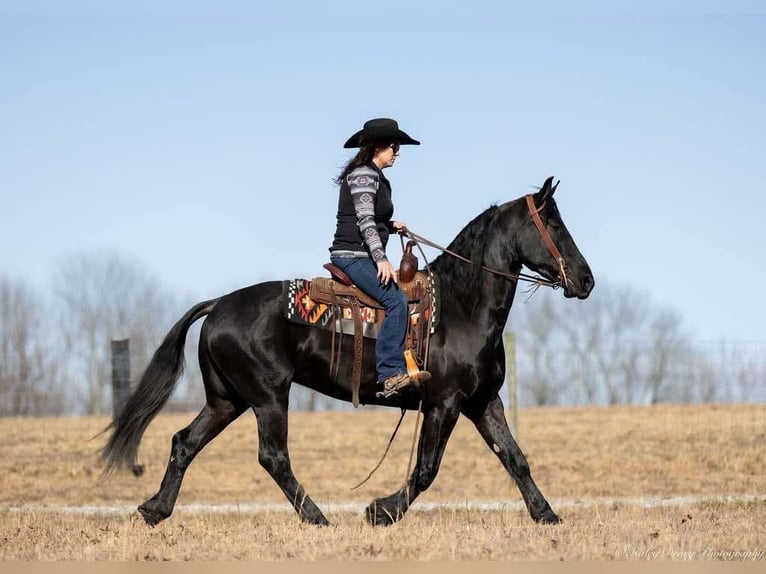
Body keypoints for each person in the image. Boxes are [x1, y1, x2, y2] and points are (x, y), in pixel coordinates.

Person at [329, 118, 429, 397]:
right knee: (396, 301)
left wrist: (390, 223)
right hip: (352, 255)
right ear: (378, 147)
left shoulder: (372, 175)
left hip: (362, 253)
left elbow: (373, 216)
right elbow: (365, 221)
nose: (397, 152)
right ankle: (389, 373)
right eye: (394, 147)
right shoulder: (364, 175)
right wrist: (381, 258)